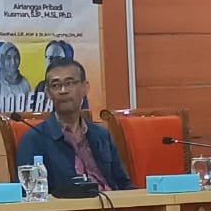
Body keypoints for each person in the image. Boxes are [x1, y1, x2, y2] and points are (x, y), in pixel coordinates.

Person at [17, 57, 132, 194]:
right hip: (68, 206)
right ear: (48, 93)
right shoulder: (35, 139)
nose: (63, 90)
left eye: (69, 83)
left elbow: (123, 184)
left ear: (85, 87)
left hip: (111, 202)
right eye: (55, 85)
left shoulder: (101, 135)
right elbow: (27, 193)